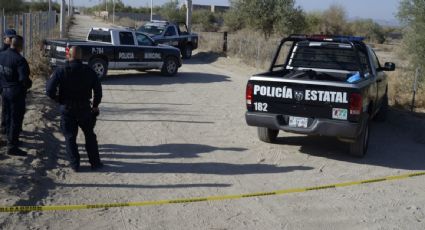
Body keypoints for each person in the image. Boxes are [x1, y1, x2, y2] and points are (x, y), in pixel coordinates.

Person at [46, 46, 103, 172]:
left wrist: (58, 100)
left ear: (69, 55)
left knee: (70, 137)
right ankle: (95, 163)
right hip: (85, 109)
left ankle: (75, 164)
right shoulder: (89, 71)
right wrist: (95, 106)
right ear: (81, 56)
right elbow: (98, 91)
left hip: (67, 109)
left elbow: (49, 90)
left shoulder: (61, 70)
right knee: (90, 136)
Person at [0, 35, 32, 156]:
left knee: (7, 116)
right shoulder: (19, 60)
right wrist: (27, 86)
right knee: (16, 119)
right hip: (15, 93)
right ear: (20, 46)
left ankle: (10, 138)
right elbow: (24, 79)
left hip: (4, 90)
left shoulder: (1, 55)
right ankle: (12, 146)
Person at [0, 29, 17, 137]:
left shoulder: (14, 51)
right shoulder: (2, 52)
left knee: (7, 107)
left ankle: (5, 127)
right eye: (9, 38)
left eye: (13, 38)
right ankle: (4, 127)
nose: (11, 40)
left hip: (10, 85)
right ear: (4, 39)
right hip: (3, 84)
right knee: (6, 107)